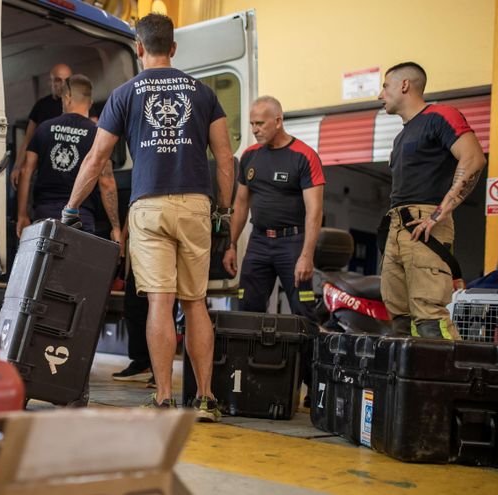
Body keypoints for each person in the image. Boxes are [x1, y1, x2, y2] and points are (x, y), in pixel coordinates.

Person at [63, 13, 235, 421]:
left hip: (148, 206)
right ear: (173, 48)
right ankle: (206, 400)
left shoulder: (124, 94)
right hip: (196, 204)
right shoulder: (204, 93)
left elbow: (96, 158)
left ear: (139, 48)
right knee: (195, 303)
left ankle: (162, 398)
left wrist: (71, 207)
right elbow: (226, 159)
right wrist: (224, 213)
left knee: (160, 301)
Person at [377, 62, 486, 338]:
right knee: (401, 321)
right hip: (397, 227)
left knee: (429, 319)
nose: (380, 94)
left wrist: (437, 215)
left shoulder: (440, 116)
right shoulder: (401, 137)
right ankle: (410, 380)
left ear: (404, 85)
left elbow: (473, 158)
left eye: (385, 86)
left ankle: (451, 380)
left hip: (425, 225)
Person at [222, 96, 324, 322]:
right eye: (252, 124)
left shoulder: (304, 156)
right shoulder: (249, 156)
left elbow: (315, 212)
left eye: (260, 124)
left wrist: (306, 256)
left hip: (293, 243)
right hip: (258, 242)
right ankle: (252, 358)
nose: (255, 130)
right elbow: (240, 204)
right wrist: (231, 245)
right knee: (248, 309)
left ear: (278, 121)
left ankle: (306, 358)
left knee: (303, 312)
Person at [16, 74, 121, 240]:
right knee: (78, 264)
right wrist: (116, 227)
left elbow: (26, 171)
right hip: (80, 216)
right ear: (90, 103)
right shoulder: (97, 134)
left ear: (67, 98)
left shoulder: (44, 128)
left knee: (44, 265)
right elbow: (106, 181)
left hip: (45, 214)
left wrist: (22, 214)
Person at [10, 64, 72, 189]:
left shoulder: (78, 105)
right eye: (58, 80)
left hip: (72, 169)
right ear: (51, 81)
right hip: (44, 171)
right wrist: (17, 166)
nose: (63, 85)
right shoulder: (41, 106)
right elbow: (27, 139)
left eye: (67, 80)